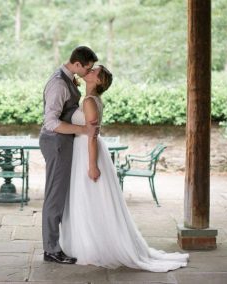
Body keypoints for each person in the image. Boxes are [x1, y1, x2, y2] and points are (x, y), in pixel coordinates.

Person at [59, 65, 190, 272]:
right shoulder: (89, 99)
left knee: (91, 198)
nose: (90, 72)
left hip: (88, 152)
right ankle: (88, 243)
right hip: (82, 150)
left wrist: (92, 165)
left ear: (100, 81)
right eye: (90, 69)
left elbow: (91, 135)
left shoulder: (90, 101)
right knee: (85, 199)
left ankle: (97, 248)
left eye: (95, 72)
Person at [39, 46, 99, 264]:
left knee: (61, 195)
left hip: (63, 143)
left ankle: (59, 244)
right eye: (87, 68)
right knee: (54, 196)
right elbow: (51, 122)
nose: (87, 72)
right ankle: (51, 250)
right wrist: (83, 130)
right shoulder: (58, 84)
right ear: (76, 64)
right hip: (55, 143)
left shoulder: (68, 78)